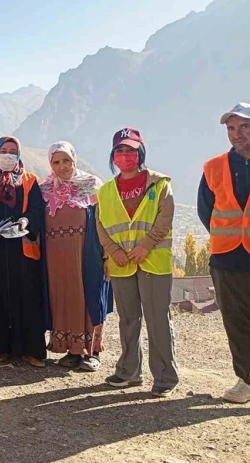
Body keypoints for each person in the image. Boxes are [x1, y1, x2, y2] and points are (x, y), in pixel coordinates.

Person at [198, 102, 250, 404]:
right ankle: (247, 380)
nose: (237, 134)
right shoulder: (213, 166)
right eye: (231, 128)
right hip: (228, 260)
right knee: (237, 325)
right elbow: (206, 210)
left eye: (244, 127)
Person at [96, 128, 179, 397]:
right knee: (128, 319)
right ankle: (129, 372)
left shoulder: (159, 183)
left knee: (157, 319)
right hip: (122, 263)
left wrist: (146, 246)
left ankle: (165, 377)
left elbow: (164, 219)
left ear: (140, 152)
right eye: (119, 150)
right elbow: (100, 224)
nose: (124, 155)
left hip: (153, 261)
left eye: (130, 150)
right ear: (113, 155)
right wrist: (111, 251)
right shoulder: (106, 190)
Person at [0, 136, 47, 366]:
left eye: (13, 151)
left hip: (22, 250)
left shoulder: (30, 181)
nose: (8, 154)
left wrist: (25, 222)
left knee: (27, 298)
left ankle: (31, 349)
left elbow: (36, 210)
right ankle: (0, 347)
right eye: (4, 150)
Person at [41, 141, 112, 371]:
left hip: (87, 253)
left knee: (88, 296)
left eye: (66, 160)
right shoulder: (44, 189)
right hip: (56, 257)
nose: (62, 166)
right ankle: (71, 350)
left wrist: (107, 255)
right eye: (56, 162)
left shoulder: (92, 186)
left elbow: (105, 222)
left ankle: (93, 352)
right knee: (63, 297)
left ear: (75, 159)